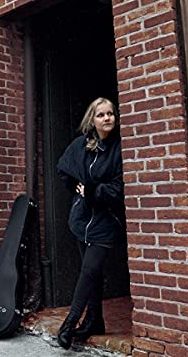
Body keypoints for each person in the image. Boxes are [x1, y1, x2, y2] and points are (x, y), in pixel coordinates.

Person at [55, 97, 125, 350]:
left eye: (110, 114)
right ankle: (94, 321)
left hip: (106, 221)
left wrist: (93, 191)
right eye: (101, 115)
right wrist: (77, 187)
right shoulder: (82, 145)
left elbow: (119, 187)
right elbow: (63, 168)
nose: (107, 118)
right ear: (92, 120)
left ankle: (70, 323)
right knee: (92, 273)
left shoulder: (119, 147)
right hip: (81, 219)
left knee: (88, 271)